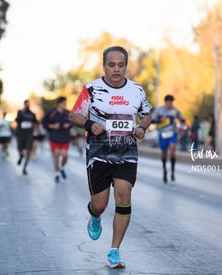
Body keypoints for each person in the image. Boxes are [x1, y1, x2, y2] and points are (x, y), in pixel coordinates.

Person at [68, 46, 152, 269]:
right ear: (104, 65)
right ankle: (94, 216)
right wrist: (89, 124)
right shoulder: (92, 89)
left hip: (127, 152)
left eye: (121, 65)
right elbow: (74, 115)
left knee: (124, 198)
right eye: (111, 65)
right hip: (99, 153)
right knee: (100, 203)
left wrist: (142, 127)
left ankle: (114, 250)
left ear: (126, 65)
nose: (116, 69)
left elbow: (146, 114)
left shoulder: (137, 90)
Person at [151, 94, 186, 183]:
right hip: (162, 134)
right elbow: (151, 120)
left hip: (172, 133)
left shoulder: (175, 110)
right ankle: (165, 171)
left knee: (172, 150)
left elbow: (181, 118)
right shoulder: (159, 110)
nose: (171, 104)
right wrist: (159, 120)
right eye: (170, 102)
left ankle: (173, 172)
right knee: (164, 153)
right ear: (166, 102)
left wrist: (182, 123)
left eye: (172, 102)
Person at [42, 96, 73, 183]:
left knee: (65, 155)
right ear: (59, 104)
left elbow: (73, 122)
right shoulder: (51, 112)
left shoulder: (67, 113)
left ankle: (62, 168)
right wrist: (52, 126)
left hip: (65, 137)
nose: (65, 105)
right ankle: (56, 173)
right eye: (64, 103)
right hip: (54, 137)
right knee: (56, 154)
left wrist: (69, 125)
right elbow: (44, 122)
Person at [15, 99, 38, 175]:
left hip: (29, 134)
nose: (28, 105)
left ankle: (25, 167)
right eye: (26, 104)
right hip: (21, 133)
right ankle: (21, 156)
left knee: (28, 151)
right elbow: (17, 120)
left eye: (29, 104)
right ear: (24, 104)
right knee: (20, 149)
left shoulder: (32, 114)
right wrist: (22, 114)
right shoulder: (20, 112)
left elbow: (36, 123)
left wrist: (34, 126)